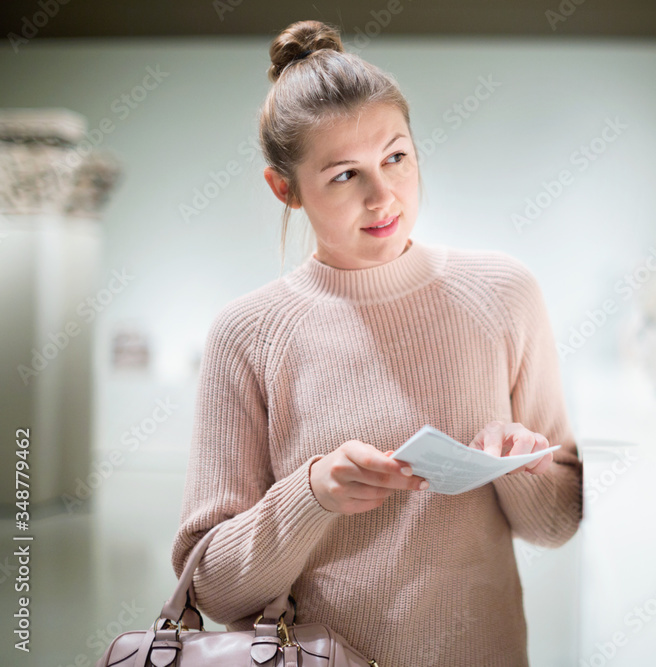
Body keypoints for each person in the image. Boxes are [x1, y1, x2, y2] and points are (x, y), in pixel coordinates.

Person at [170, 19, 583, 666]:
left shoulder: (505, 293)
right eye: (344, 175)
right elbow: (212, 586)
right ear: (286, 190)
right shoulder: (246, 333)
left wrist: (526, 466)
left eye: (396, 157)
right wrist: (312, 494)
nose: (383, 194)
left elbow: (556, 523)